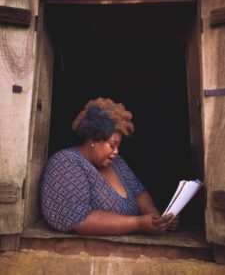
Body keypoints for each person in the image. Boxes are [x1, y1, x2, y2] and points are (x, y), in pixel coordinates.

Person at [40, 97, 179, 235]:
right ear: (93, 139)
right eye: (112, 145)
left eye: (118, 146)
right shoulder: (66, 163)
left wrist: (158, 220)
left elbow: (139, 193)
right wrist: (138, 223)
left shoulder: (117, 163)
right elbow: (80, 220)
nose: (116, 151)